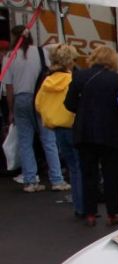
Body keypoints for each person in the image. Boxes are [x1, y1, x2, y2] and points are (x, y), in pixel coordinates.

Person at [65, 46, 118, 227]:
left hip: (84, 131)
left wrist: (83, 111)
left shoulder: (80, 76)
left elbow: (69, 103)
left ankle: (90, 212)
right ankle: (112, 213)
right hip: (110, 131)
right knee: (111, 174)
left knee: (88, 173)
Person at [3, 26, 69, 193]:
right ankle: (57, 179)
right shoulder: (41, 52)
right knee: (48, 140)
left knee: (25, 141)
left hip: (20, 99)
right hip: (40, 97)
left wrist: (11, 110)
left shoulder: (9, 57)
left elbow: (9, 88)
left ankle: (31, 180)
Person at [34, 44, 82, 215]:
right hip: (74, 127)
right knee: (81, 168)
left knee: (71, 167)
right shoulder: (73, 80)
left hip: (57, 128)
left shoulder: (46, 80)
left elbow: (38, 105)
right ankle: (82, 205)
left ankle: (78, 204)